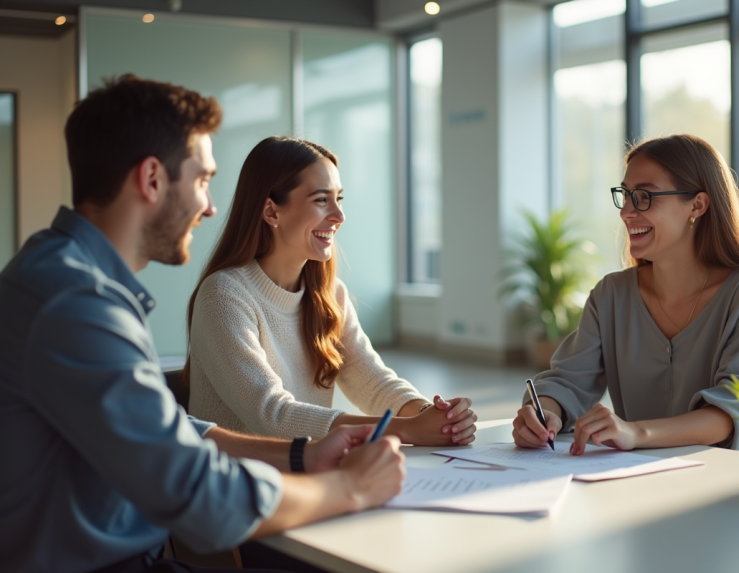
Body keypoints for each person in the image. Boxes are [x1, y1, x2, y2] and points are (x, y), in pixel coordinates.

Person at [0, 75, 405, 573]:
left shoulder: (64, 277)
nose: (210, 206)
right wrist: (351, 487)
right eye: (201, 180)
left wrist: (302, 455)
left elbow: (171, 430)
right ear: (151, 179)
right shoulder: (74, 302)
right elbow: (201, 498)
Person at [184, 137, 478, 446]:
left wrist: (435, 417)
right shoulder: (223, 296)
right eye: (321, 200)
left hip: (308, 471)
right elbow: (271, 414)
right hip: (237, 483)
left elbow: (375, 384)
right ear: (272, 212)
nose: (339, 216)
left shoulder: (329, 294)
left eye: (339, 199)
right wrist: (405, 429)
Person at [512, 134, 739, 454]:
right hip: (637, 480)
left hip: (725, 484)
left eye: (644, 196)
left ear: (697, 205)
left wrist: (635, 433)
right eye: (626, 195)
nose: (626, 212)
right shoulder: (611, 295)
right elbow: (566, 381)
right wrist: (546, 412)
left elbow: (734, 411)